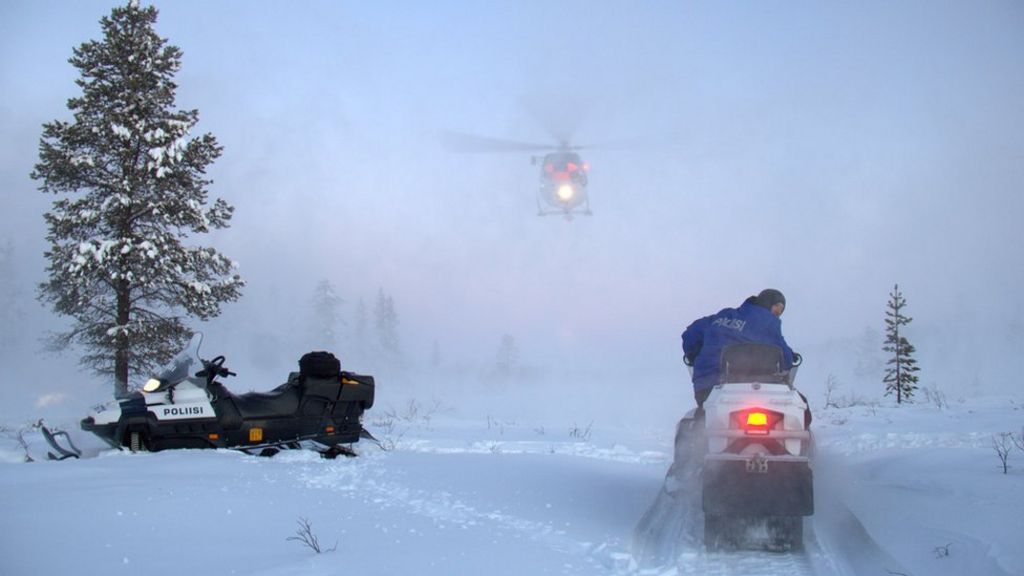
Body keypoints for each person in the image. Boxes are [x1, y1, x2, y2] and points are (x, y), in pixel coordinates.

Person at [681, 289, 794, 410]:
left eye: (781, 310)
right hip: (755, 387)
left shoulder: (723, 315)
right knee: (794, 410)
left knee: (703, 418)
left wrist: (695, 354)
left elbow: (690, 334)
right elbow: (786, 359)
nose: (778, 312)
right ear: (767, 303)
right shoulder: (769, 323)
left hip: (708, 382)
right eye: (776, 306)